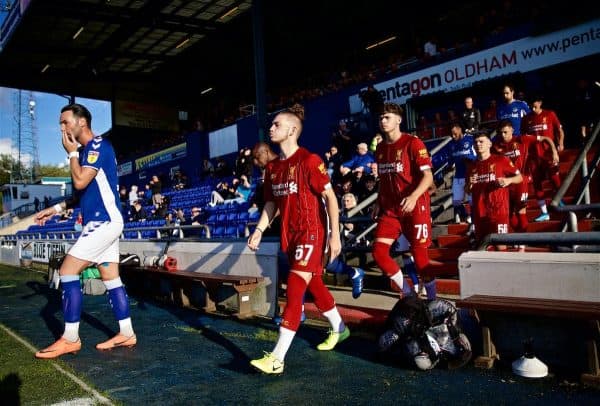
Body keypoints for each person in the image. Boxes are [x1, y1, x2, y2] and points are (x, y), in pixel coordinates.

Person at [247, 104, 349, 374]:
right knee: (314, 284)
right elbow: (271, 205)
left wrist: (334, 235)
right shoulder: (274, 168)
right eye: (271, 124)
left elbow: (330, 199)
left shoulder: (310, 161)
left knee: (294, 289)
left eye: (276, 124)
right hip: (289, 237)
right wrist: (258, 230)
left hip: (311, 233)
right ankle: (340, 328)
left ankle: (277, 358)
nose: (271, 128)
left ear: (292, 130)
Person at [34, 103, 135, 359]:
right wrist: (55, 209)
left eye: (65, 122)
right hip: (103, 221)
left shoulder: (97, 146)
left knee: (67, 271)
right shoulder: (88, 151)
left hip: (104, 221)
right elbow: (83, 191)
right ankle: (127, 332)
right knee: (110, 276)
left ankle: (70, 338)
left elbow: (79, 180)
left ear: (82, 122)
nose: (61, 128)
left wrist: (71, 153)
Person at [372, 102, 441, 300]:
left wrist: (413, 196)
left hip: (415, 207)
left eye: (387, 117)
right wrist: (378, 201)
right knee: (379, 252)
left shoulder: (413, 143)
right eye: (381, 118)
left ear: (399, 120)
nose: (383, 121)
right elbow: (384, 180)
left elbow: (428, 177)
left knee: (420, 258)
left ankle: (433, 300)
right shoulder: (381, 148)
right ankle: (409, 294)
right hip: (391, 210)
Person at [492, 120, 558, 242]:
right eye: (501, 133)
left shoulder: (522, 139)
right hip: (505, 184)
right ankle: (520, 239)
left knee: (521, 210)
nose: (503, 135)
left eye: (505, 132)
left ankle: (521, 243)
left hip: (521, 181)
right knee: (508, 214)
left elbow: (545, 138)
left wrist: (554, 151)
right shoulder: (496, 146)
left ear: (512, 130)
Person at [378, 295, 472, 370]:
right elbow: (383, 344)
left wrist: (456, 335)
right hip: (411, 328)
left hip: (421, 330)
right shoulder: (402, 333)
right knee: (422, 360)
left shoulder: (438, 309)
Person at [467, 132, 522, 250]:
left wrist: (508, 180)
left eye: (481, 141)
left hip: (499, 211)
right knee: (482, 247)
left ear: (489, 144)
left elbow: (519, 177)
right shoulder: (472, 166)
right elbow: (467, 191)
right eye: (475, 142)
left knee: (501, 246)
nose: (478, 144)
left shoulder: (501, 160)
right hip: (480, 214)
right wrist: (469, 184)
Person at [521, 96, 565, 221]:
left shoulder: (549, 114)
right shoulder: (526, 119)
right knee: (537, 184)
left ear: (540, 102)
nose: (533, 109)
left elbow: (559, 130)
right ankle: (544, 213)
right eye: (531, 106)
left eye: (535, 106)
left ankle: (559, 199)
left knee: (554, 178)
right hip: (534, 156)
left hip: (548, 154)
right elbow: (524, 138)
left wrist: (560, 143)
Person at [448, 123, 476, 224]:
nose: (453, 136)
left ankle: (473, 221)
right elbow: (450, 161)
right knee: (456, 201)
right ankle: (466, 215)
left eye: (455, 133)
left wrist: (469, 160)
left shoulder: (470, 140)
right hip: (458, 176)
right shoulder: (451, 144)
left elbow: (477, 156)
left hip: (470, 175)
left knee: (471, 200)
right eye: (452, 134)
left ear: (460, 129)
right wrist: (450, 166)